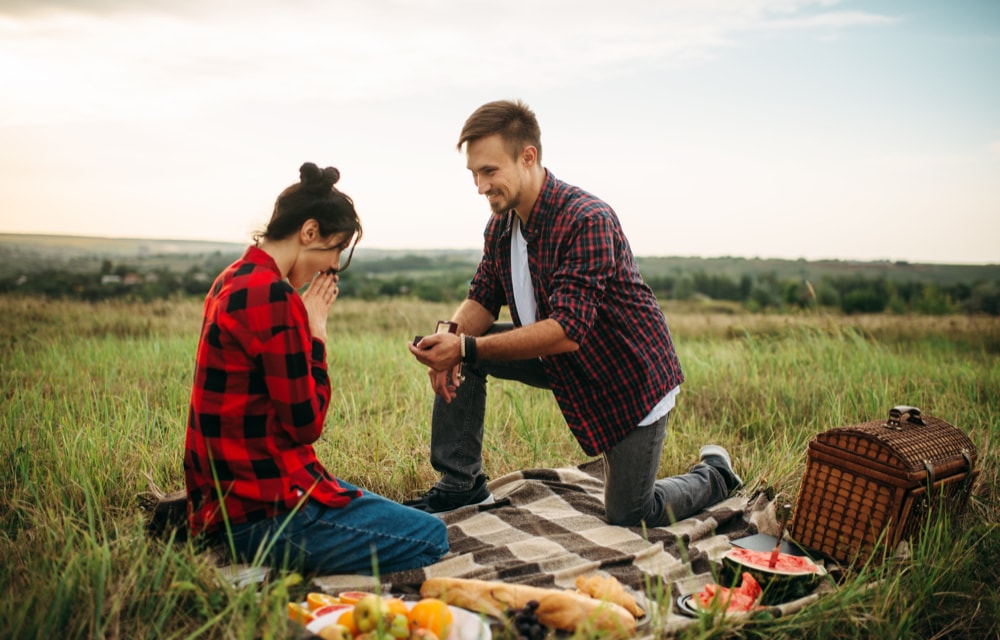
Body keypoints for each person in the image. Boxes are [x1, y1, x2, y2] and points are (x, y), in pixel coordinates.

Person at [406, 101, 741, 528]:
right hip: (561, 362)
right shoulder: (500, 227)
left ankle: (714, 474)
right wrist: (447, 340)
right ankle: (461, 485)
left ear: (528, 157)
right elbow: (482, 301)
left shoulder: (587, 219)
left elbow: (567, 331)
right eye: (473, 173)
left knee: (631, 514)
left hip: (625, 377)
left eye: (489, 171)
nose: (479, 186)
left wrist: (465, 347)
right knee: (463, 351)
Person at [184, 162, 448, 575]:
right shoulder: (274, 297)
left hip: (226, 502)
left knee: (368, 504)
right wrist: (316, 331)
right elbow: (307, 423)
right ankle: (258, 569)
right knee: (431, 537)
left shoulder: (231, 278)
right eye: (334, 251)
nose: (330, 268)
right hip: (264, 514)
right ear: (309, 233)